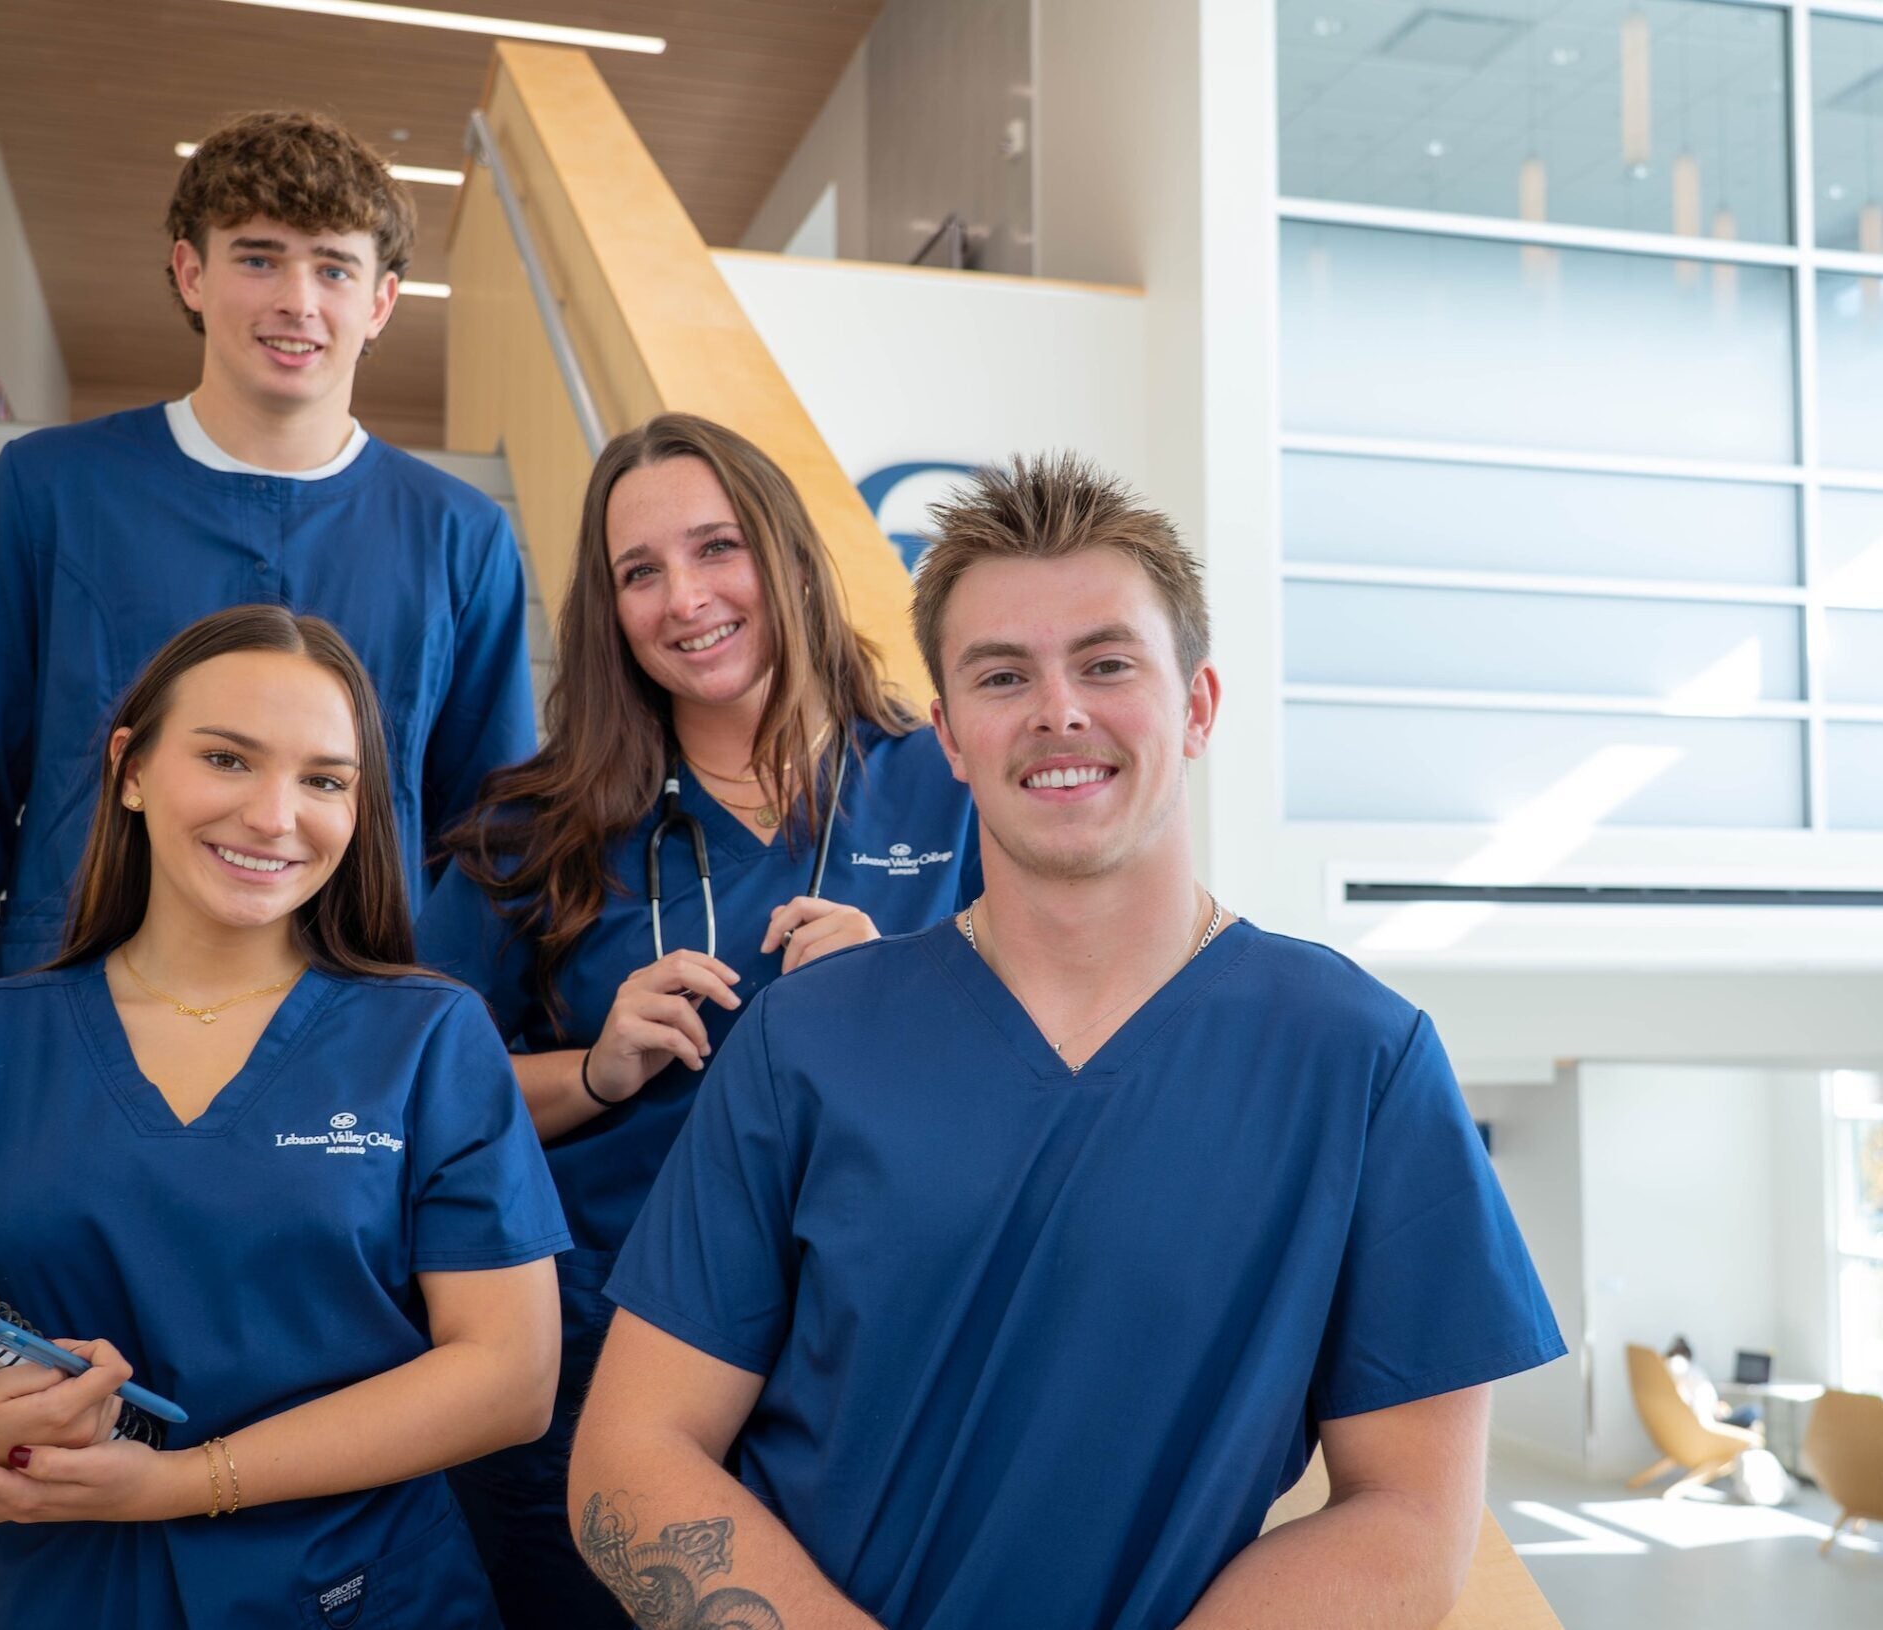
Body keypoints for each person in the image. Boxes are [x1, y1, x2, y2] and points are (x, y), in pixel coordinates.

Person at [570, 454, 1567, 1629]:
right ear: (948, 736)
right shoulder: (804, 1043)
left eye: (1107, 662)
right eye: (1003, 675)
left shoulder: (1359, 1060)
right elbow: (628, 1461)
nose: (1060, 711)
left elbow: (1408, 1517)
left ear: (1196, 706)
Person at [0, 606, 568, 1629]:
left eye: (324, 779)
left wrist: (183, 1481)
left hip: (358, 1595)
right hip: (56, 1595)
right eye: (228, 759)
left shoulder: (430, 1038)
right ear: (131, 769)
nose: (276, 814)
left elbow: (511, 1376)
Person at [417, 413, 979, 1627]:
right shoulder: (535, 831)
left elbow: (1080, 1046)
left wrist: (918, 991)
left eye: (716, 548)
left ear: (782, 553)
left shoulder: (954, 779)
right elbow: (404, 1096)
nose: (685, 599)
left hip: (877, 1369)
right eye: (639, 572)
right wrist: (596, 1068)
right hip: (599, 1370)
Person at [0, 107, 535, 1084]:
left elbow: (490, 833)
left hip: (353, 1050)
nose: (298, 300)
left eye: (333, 268)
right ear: (190, 273)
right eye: (258, 258)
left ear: (382, 301)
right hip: (75, 1022)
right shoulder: (51, 494)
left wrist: (467, 1061)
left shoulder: (460, 538)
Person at [1666, 1336, 1761, 1431]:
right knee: (1753, 1411)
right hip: (1709, 1423)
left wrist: (1717, 1407)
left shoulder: (1688, 1373)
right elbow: (1688, 1400)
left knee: (1753, 1415)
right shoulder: (1678, 1365)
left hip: (1714, 1417)